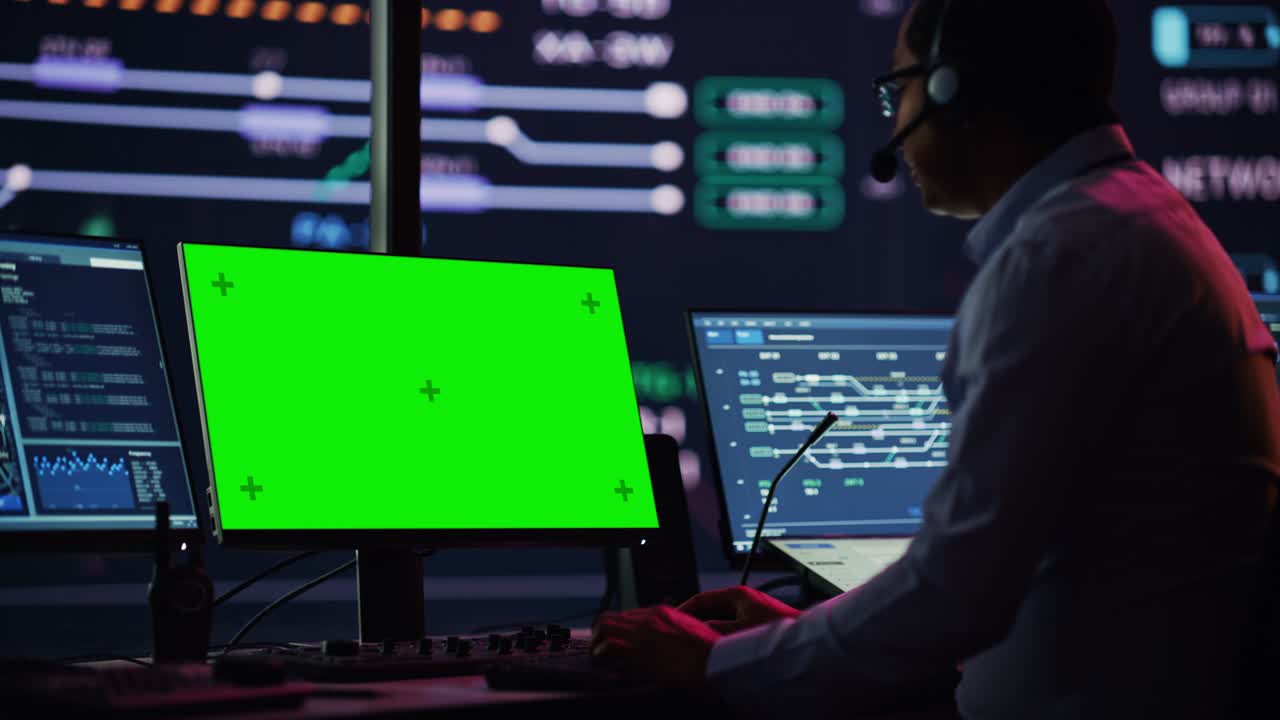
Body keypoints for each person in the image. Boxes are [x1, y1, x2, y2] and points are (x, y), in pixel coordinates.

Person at [590, 1, 1280, 717]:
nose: (894, 124)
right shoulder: (1134, 223)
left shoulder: (1060, 259)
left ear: (951, 87)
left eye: (899, 90)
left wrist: (712, 662)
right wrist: (810, 631)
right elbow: (1023, 574)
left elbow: (957, 595)